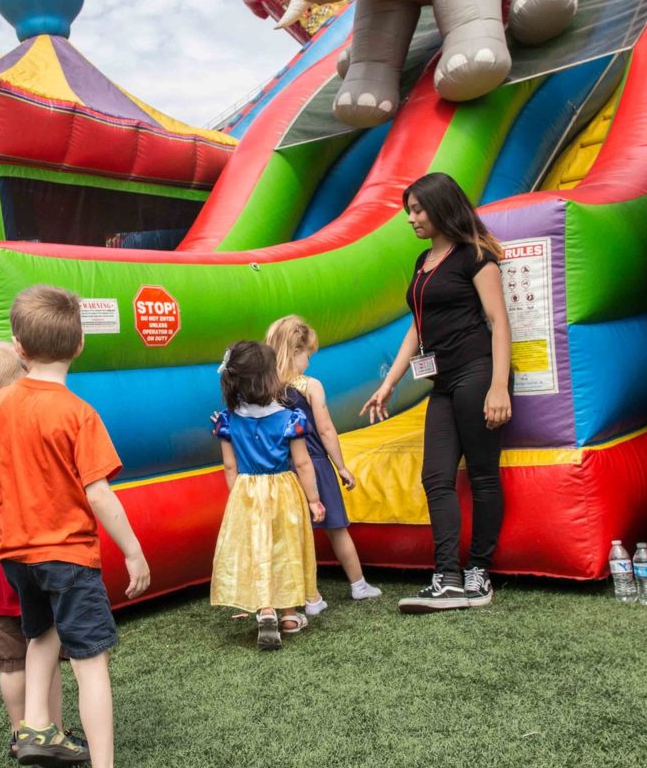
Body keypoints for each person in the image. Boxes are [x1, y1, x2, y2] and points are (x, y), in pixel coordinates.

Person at [0, 284, 153, 768]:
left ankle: (39, 725)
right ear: (79, 345)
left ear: (19, 347)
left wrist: (14, 505)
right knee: (92, 666)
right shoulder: (78, 413)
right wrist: (134, 553)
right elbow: (98, 493)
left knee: (39, 634)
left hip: (15, 554)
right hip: (68, 555)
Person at [360, 172, 513, 612]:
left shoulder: (476, 256)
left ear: (442, 207)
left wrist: (499, 386)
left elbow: (498, 321)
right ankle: (447, 577)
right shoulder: (422, 261)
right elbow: (418, 326)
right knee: (435, 477)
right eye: (409, 210)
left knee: (482, 475)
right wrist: (389, 382)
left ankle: (478, 573)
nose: (411, 218)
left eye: (417, 209)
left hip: (478, 373)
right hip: (442, 383)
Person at [0, 340, 85, 768]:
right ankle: (49, 727)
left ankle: (23, 733)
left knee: (14, 661)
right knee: (44, 647)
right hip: (35, 569)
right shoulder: (18, 444)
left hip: (0, 578)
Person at [210, 340, 327, 650]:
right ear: (269, 377)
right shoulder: (290, 418)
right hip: (283, 490)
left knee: (258, 551)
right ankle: (288, 615)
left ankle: (265, 612)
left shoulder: (227, 420)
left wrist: (239, 498)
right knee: (284, 548)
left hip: (247, 490)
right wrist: (314, 499)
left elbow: (229, 466)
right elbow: (302, 463)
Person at [264, 315, 381, 612]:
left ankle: (305, 595)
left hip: (281, 470)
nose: (309, 363)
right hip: (314, 464)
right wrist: (341, 467)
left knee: (292, 535)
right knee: (337, 528)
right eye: (307, 356)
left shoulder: (265, 388)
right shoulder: (310, 386)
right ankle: (358, 584)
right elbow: (326, 429)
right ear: (294, 352)